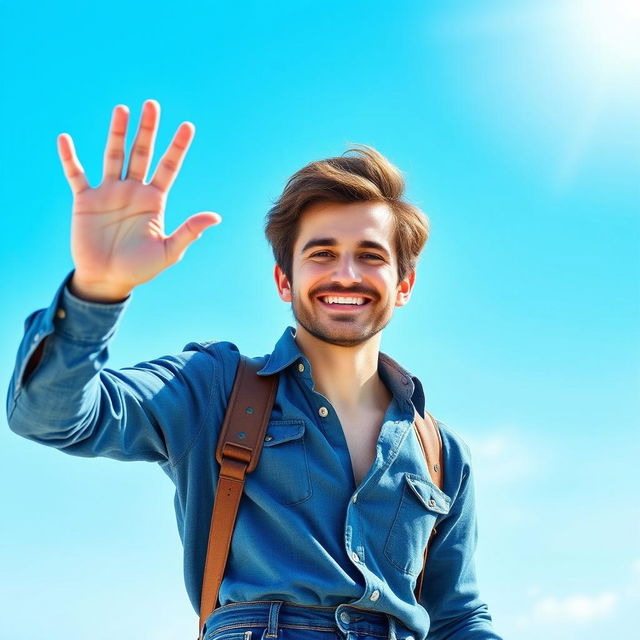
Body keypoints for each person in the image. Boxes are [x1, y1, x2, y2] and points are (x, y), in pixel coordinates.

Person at [7, 99, 503, 640]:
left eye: (371, 255)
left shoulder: (442, 454)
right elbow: (51, 416)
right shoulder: (214, 387)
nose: (345, 273)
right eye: (321, 253)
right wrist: (97, 291)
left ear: (403, 285)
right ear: (283, 281)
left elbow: (458, 617)